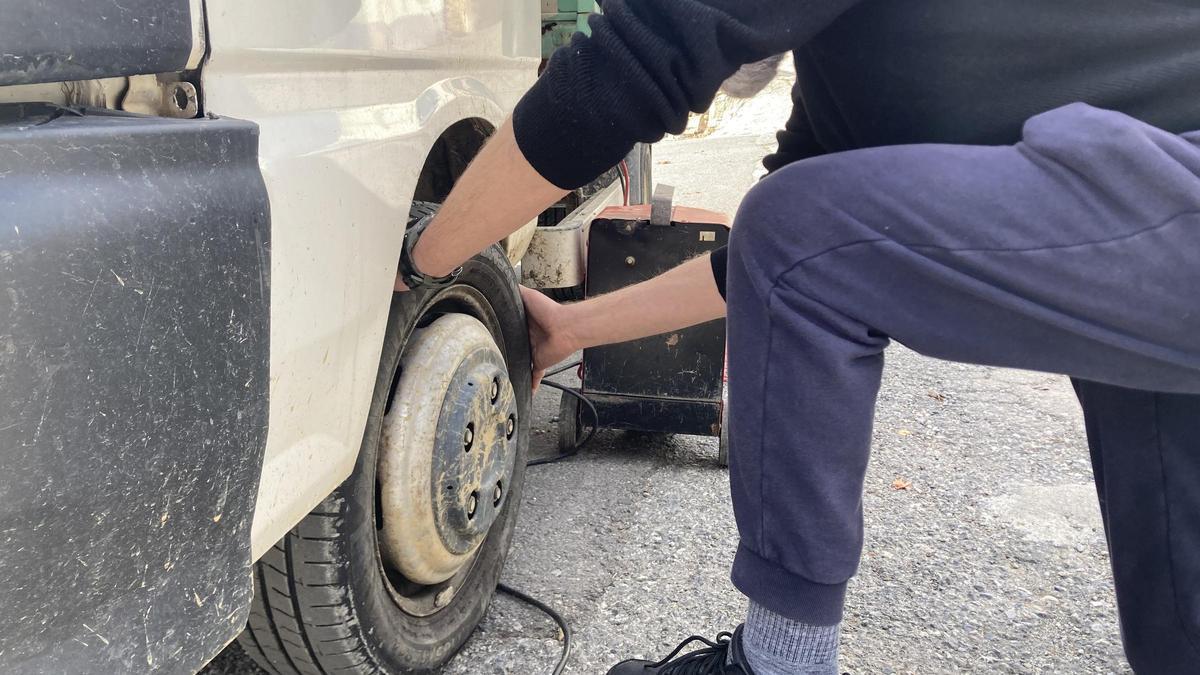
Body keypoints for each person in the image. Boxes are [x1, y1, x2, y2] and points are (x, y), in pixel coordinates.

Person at [393, 2, 1200, 673]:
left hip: (1172, 201)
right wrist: (569, 326)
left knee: (797, 227)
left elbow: (641, 57)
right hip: (1147, 237)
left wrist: (425, 256)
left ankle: (780, 660)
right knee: (1176, 607)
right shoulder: (857, 72)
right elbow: (766, 269)